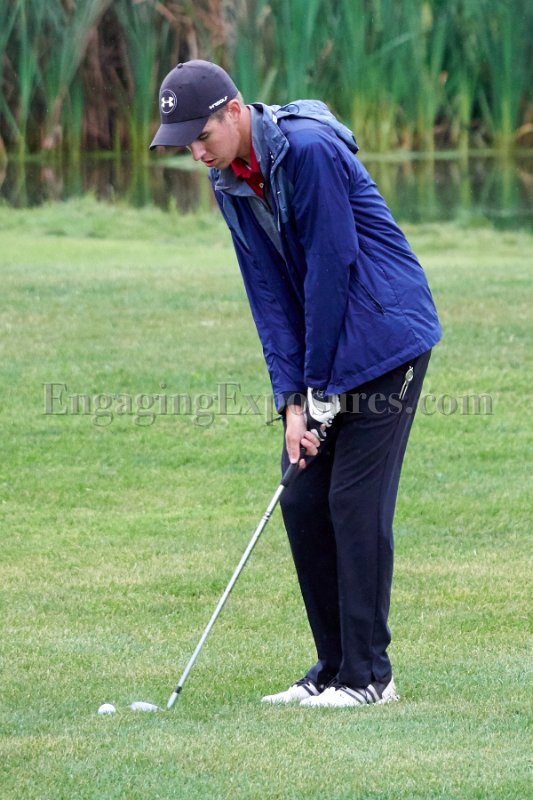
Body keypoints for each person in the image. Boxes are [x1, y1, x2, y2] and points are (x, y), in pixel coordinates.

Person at [150, 60, 441, 708]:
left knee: (353, 501)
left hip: (386, 338)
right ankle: (333, 668)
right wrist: (292, 402)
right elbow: (269, 294)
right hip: (327, 350)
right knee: (302, 497)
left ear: (233, 112)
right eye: (185, 145)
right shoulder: (228, 180)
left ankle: (369, 677)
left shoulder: (308, 151)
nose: (197, 154)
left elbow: (332, 269)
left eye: (201, 137)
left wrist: (319, 387)